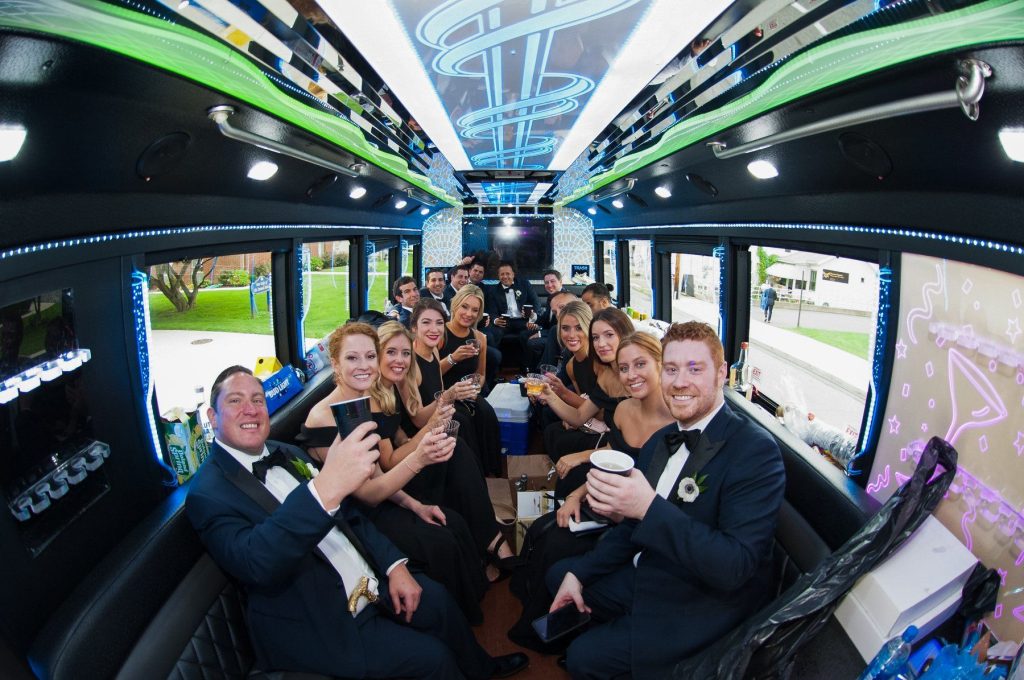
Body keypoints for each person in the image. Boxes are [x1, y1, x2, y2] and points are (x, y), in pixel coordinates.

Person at [186, 366, 528, 679]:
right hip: (320, 618)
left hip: (370, 580)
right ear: (212, 417)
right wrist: (324, 490)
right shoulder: (208, 494)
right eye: (235, 401)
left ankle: (480, 669)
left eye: (258, 400)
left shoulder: (285, 453)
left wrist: (395, 566)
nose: (250, 410)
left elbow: (350, 515)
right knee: (432, 660)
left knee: (438, 601)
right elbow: (256, 561)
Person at [546, 321, 786, 679]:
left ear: (721, 373)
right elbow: (631, 527)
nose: (679, 382)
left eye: (695, 369)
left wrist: (648, 508)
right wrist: (579, 574)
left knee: (583, 658)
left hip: (699, 598)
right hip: (650, 567)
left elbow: (735, 566)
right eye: (672, 370)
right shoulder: (662, 440)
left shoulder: (754, 451)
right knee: (560, 575)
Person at [298, 323, 485, 621]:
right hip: (354, 520)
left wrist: (416, 505)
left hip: (382, 499)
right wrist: (419, 458)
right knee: (441, 543)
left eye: (370, 357)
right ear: (335, 363)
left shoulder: (356, 404)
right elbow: (368, 495)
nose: (364, 366)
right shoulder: (324, 417)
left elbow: (374, 474)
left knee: (453, 522)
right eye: (352, 358)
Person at [508, 332, 674, 652]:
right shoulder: (624, 410)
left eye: (640, 365)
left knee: (558, 545)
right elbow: (614, 459)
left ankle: (552, 632)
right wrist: (576, 495)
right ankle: (531, 599)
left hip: (634, 519)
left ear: (660, 364)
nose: (631, 375)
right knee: (545, 527)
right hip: (605, 499)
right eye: (624, 368)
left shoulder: (675, 422)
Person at [373, 320, 515, 584]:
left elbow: (401, 434)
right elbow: (389, 462)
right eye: (391, 352)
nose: (400, 360)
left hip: (407, 457)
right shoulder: (374, 397)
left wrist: (426, 431)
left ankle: (489, 535)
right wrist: (429, 429)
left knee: (457, 445)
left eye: (405, 353)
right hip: (394, 482)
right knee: (455, 450)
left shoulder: (393, 384)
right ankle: (492, 540)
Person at [540, 307, 633, 496]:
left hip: (625, 457)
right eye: (596, 337)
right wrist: (550, 395)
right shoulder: (607, 376)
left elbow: (628, 445)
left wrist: (580, 457)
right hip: (612, 448)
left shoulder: (636, 379)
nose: (601, 344)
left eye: (609, 335)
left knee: (569, 482)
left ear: (624, 335)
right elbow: (579, 416)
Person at [436, 286, 505, 476]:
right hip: (443, 394)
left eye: (475, 310)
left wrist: (476, 388)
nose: (469, 314)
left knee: (487, 414)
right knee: (463, 421)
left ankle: (489, 471)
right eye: (465, 307)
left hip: (467, 394)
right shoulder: (440, 334)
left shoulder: (479, 338)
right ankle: (470, 472)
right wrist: (453, 358)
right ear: (455, 305)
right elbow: (429, 374)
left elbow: (480, 374)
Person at [486, 261, 542, 372]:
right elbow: (491, 311)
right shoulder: (493, 291)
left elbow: (536, 303)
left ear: (513, 274)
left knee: (528, 334)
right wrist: (495, 320)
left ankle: (527, 369)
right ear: (498, 276)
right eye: (502, 274)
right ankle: (495, 369)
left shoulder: (524, 284)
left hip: (523, 321)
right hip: (504, 323)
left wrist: (532, 317)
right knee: (493, 334)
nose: (505, 276)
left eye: (508, 273)